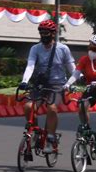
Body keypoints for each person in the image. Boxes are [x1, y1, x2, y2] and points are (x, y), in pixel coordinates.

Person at [18, 19, 76, 153]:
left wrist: (75, 80)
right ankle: (35, 132)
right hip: (40, 84)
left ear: (53, 33)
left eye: (46, 33)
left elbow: (71, 67)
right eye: (41, 33)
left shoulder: (63, 49)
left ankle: (50, 138)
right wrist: (25, 81)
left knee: (52, 108)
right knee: (28, 107)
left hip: (57, 85)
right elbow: (30, 65)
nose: (44, 35)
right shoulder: (35, 49)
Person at [63, 34, 96, 162]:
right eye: (90, 46)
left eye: (94, 48)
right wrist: (68, 84)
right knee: (81, 107)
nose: (91, 50)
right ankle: (87, 129)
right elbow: (76, 72)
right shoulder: (85, 59)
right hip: (90, 88)